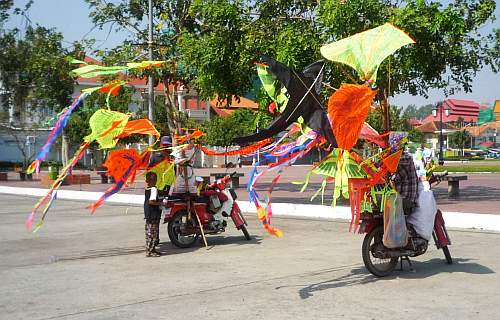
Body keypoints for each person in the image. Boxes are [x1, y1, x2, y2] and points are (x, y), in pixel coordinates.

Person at [144, 172, 162, 257]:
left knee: (149, 233)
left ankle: (152, 249)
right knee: (153, 234)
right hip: (153, 214)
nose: (155, 181)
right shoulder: (154, 189)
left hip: (148, 214)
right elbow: (152, 201)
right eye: (154, 179)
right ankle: (150, 251)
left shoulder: (147, 189)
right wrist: (162, 203)